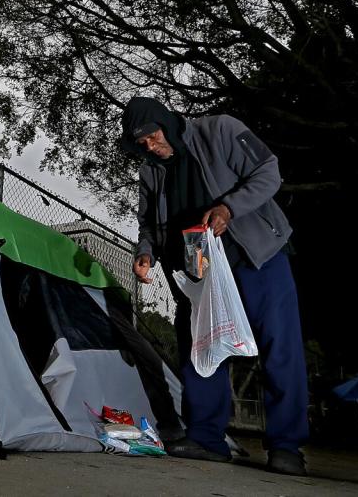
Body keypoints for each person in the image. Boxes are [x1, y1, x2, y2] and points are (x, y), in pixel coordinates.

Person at [120, 96, 309, 476]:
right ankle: (207, 438)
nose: (151, 147)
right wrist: (145, 253)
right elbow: (148, 224)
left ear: (168, 123)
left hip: (255, 254)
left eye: (154, 138)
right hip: (199, 265)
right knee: (200, 347)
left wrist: (228, 208)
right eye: (142, 144)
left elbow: (268, 172)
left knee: (279, 345)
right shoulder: (151, 171)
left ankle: (287, 447)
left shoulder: (220, 130)